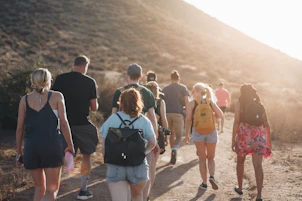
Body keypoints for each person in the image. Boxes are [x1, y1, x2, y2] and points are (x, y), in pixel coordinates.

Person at [15, 68, 74, 201]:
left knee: (39, 188)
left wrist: (18, 151)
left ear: (33, 81)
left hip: (31, 148)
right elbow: (64, 123)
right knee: (51, 190)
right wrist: (70, 145)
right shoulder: (57, 96)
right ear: (48, 81)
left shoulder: (24, 100)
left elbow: (19, 128)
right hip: (51, 146)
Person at [52, 55, 99, 200]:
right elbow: (94, 108)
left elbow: (52, 100)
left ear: (73, 65)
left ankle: (53, 191)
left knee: (61, 154)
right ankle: (83, 190)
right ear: (85, 66)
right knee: (87, 154)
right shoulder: (90, 81)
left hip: (62, 123)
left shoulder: (60, 79)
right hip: (82, 123)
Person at [111, 63, 159, 201]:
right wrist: (154, 139)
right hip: (142, 138)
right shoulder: (148, 93)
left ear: (127, 75)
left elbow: (113, 117)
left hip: (122, 139)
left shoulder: (118, 92)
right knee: (144, 172)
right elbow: (153, 119)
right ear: (141, 77)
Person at [100, 88, 157, 201]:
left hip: (116, 164)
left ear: (121, 102)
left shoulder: (113, 119)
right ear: (138, 102)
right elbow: (153, 142)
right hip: (137, 164)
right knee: (137, 196)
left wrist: (107, 161)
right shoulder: (144, 120)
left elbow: (103, 144)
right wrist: (143, 152)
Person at [232, 84, 272, 201]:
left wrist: (233, 139)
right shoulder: (260, 105)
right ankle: (259, 196)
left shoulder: (239, 104)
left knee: (240, 161)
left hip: (244, 134)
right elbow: (266, 124)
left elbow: (236, 121)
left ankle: (239, 188)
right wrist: (268, 143)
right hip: (259, 135)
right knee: (258, 165)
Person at [185, 82, 223, 190]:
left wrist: (187, 134)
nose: (192, 93)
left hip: (198, 132)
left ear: (196, 92)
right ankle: (212, 176)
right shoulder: (210, 102)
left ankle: (204, 183)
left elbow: (188, 120)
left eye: (193, 91)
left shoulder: (192, 103)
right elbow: (220, 114)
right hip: (211, 131)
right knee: (211, 157)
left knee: (202, 158)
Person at [162, 70, 190, 165]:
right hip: (178, 114)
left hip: (167, 114)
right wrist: (187, 113)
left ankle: (171, 155)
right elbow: (186, 102)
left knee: (171, 134)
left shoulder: (165, 89)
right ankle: (174, 149)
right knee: (178, 135)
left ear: (171, 79)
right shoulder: (183, 88)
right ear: (179, 79)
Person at [146, 81, 169, 155]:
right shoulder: (160, 102)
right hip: (158, 131)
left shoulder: (142, 102)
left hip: (145, 130)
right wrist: (166, 135)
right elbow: (164, 119)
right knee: (155, 155)